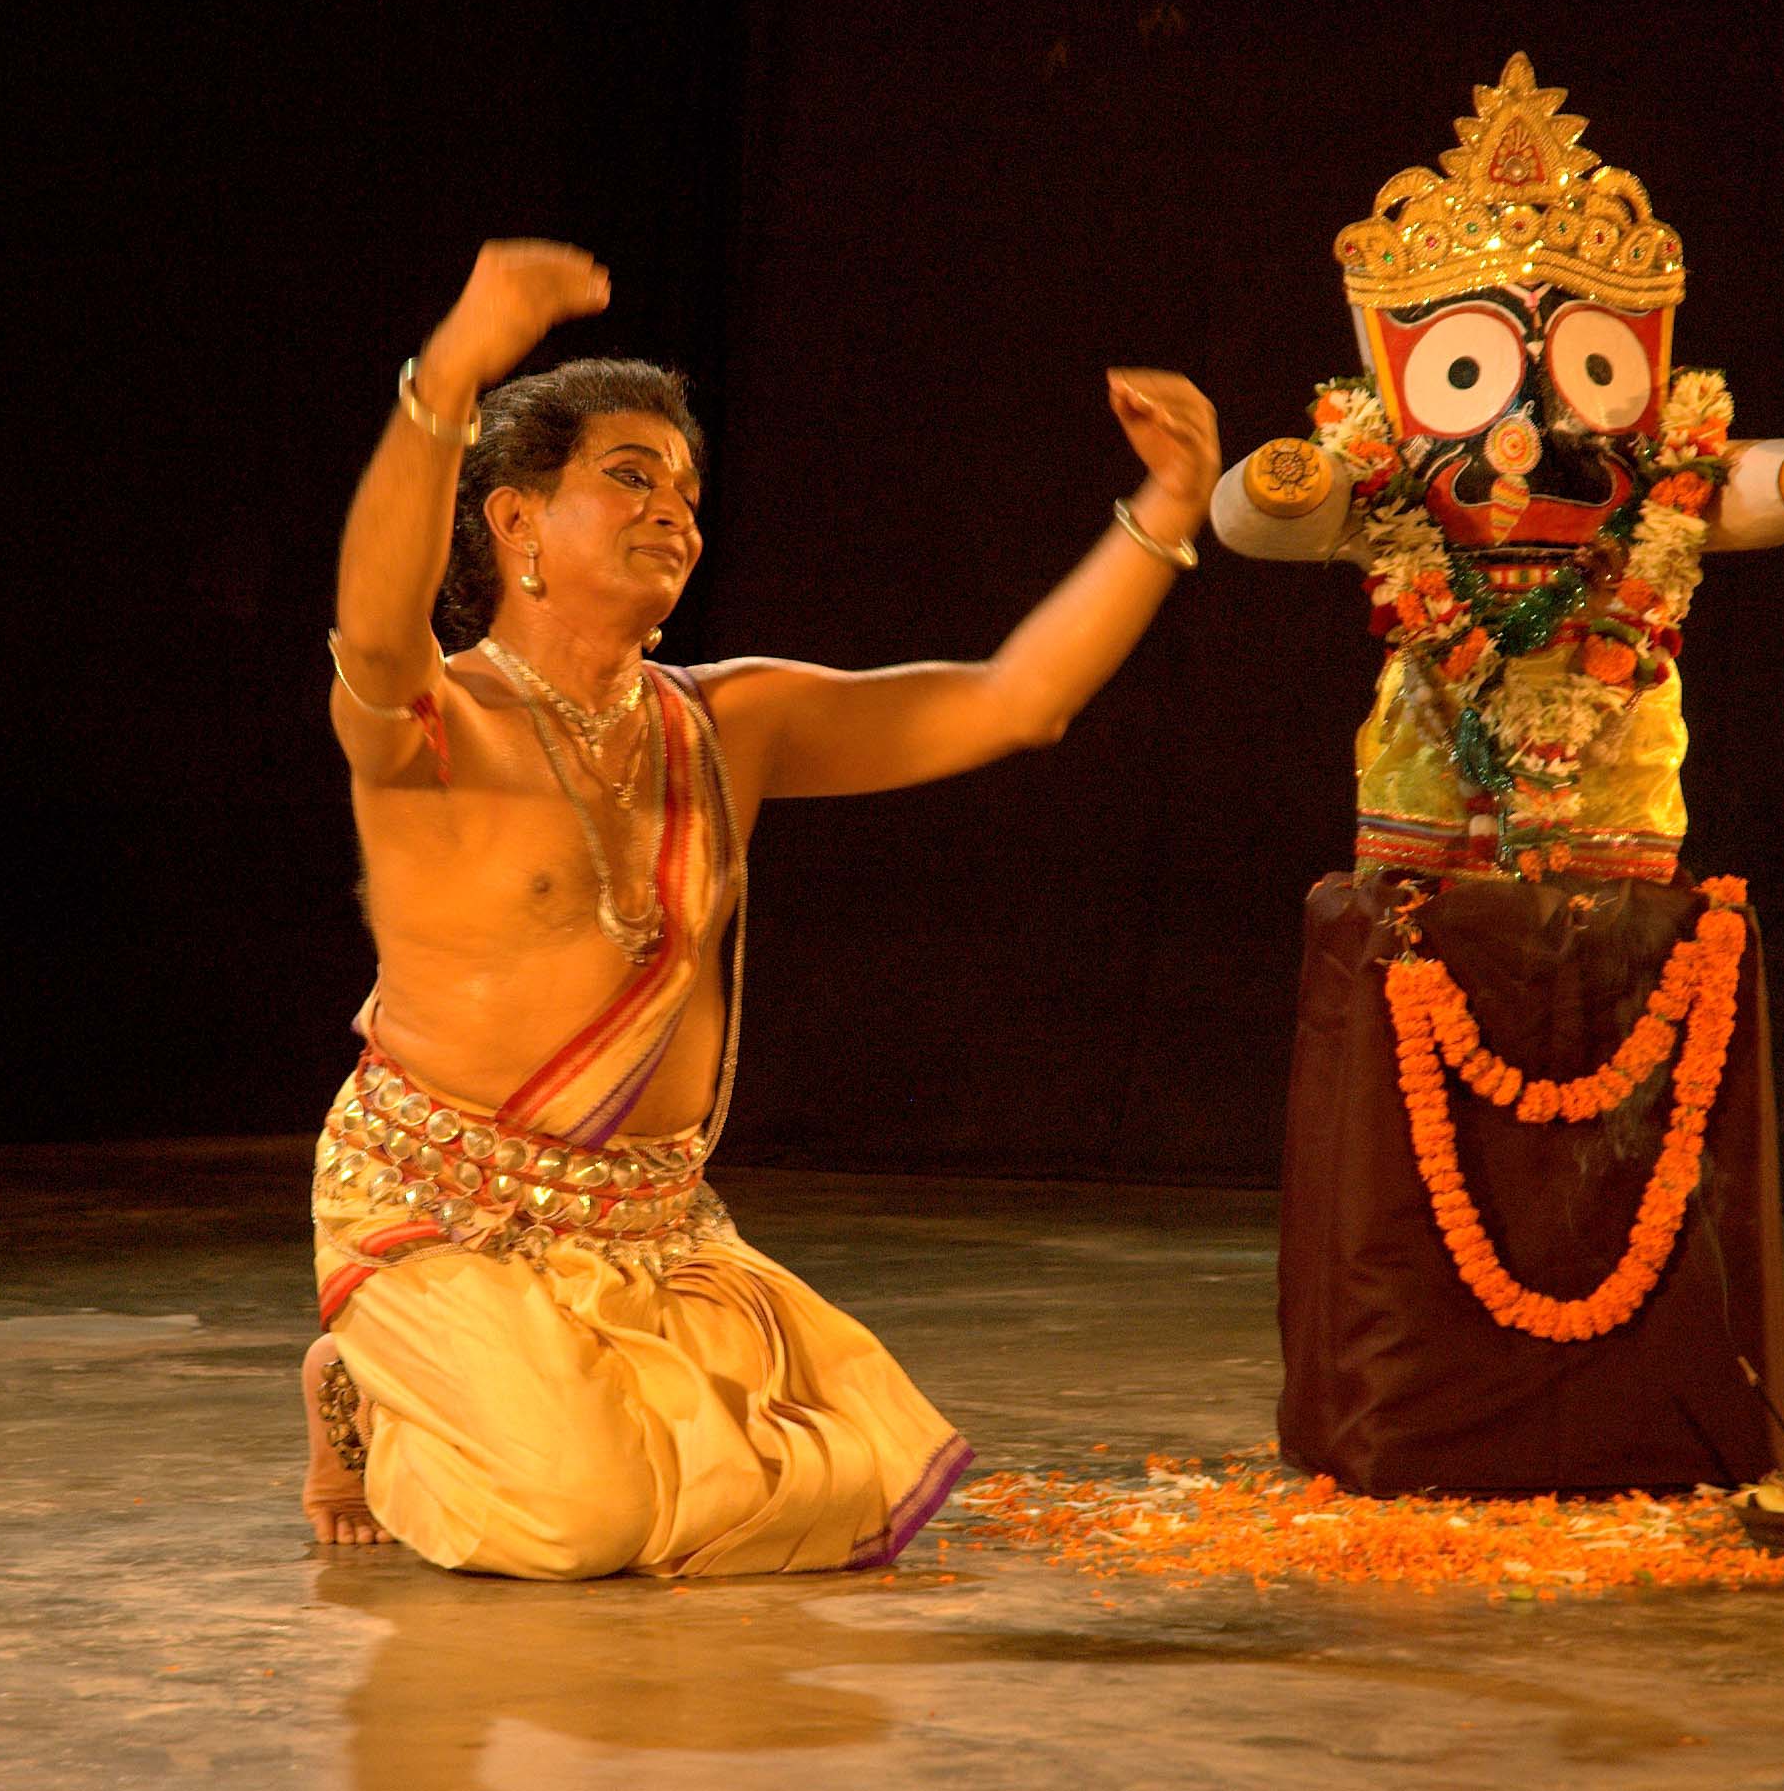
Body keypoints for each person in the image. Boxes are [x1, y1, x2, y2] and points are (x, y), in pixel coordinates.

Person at [303, 239, 1218, 1578]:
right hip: (441, 1211)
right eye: (630, 478)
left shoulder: (734, 719)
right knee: (580, 1525)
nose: (675, 509)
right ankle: (366, 1384)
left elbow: (1016, 700)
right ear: (513, 521)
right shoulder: (440, 724)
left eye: (686, 489)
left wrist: (1170, 504)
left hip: (653, 1224)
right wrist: (451, 367)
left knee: (840, 1491)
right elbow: (374, 634)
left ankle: (512, 1383)